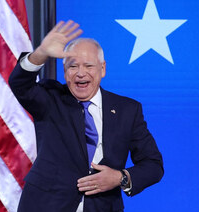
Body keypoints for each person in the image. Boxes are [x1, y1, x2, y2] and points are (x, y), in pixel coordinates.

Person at [9, 20, 164, 212]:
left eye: (89, 66)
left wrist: (119, 178)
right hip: (46, 205)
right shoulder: (51, 99)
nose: (80, 74)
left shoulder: (127, 110)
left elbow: (153, 165)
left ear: (103, 69)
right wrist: (41, 53)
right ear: (64, 72)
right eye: (73, 67)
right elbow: (19, 84)